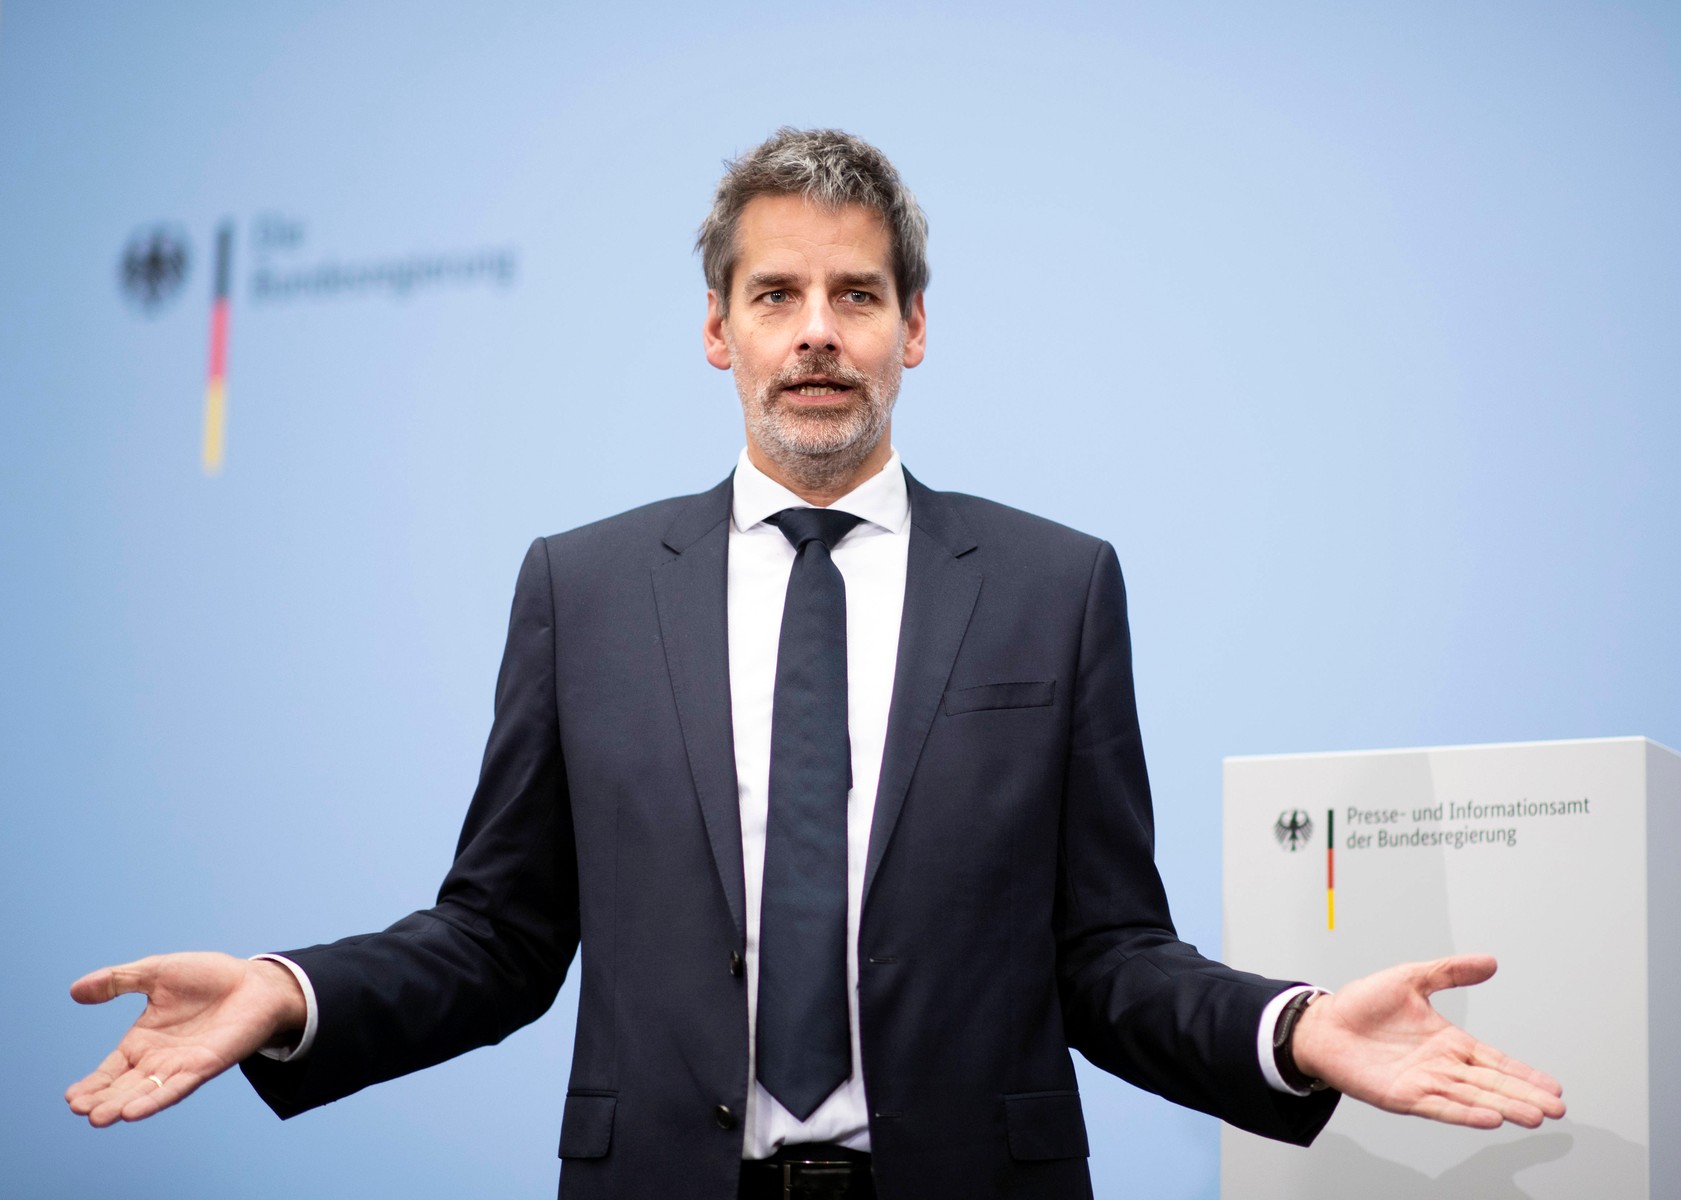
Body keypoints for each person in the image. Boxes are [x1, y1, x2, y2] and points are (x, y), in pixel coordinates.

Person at [66, 128, 1563, 1199]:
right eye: (775, 297)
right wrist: (286, 991)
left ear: (916, 327)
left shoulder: (1055, 585)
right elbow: (499, 940)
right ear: (715, 333)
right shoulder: (582, 589)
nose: (817, 335)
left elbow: (1106, 961)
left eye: (855, 296)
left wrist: (1292, 1032)